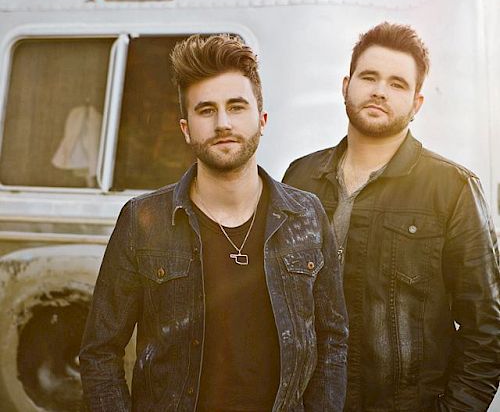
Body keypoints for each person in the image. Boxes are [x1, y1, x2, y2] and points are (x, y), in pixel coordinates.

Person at [79, 34, 348, 411]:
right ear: (186, 128)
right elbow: (100, 353)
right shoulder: (143, 220)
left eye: (237, 107)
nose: (223, 123)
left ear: (262, 119)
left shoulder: (306, 216)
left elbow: (332, 341)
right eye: (206, 110)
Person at [283, 22, 500, 411]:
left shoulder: (452, 188)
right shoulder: (300, 179)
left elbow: (486, 330)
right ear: (346, 85)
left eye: (397, 84)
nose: (380, 90)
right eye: (369, 77)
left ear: (416, 104)